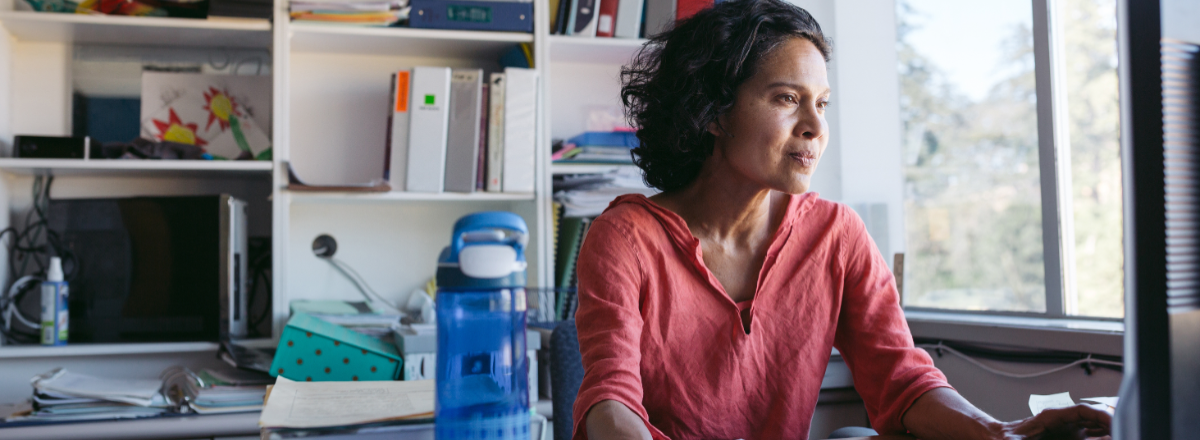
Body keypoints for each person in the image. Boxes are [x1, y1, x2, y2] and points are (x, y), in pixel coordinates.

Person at [569, 0, 1114, 439]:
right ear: (713, 112)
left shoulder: (835, 234)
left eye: (822, 104)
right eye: (787, 98)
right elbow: (610, 405)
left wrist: (1000, 432)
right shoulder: (625, 238)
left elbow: (901, 379)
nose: (814, 126)